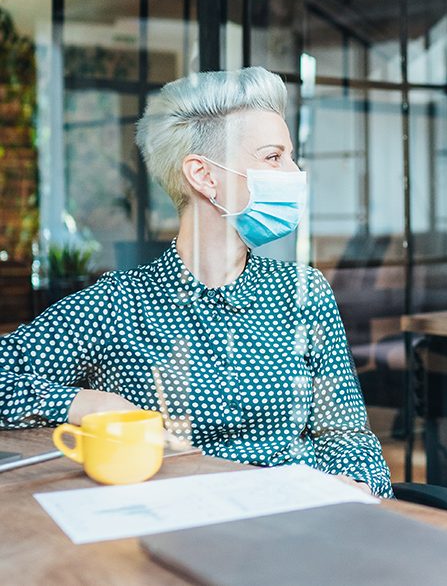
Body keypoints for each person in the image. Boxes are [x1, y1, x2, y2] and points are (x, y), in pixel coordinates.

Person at [0, 67, 393, 497]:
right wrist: (88, 403)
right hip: (178, 523)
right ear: (204, 176)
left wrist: (357, 488)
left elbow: (346, 431)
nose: (294, 173)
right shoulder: (118, 304)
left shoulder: (302, 291)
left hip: (298, 523)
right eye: (273, 157)